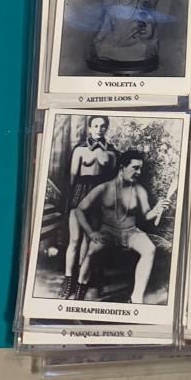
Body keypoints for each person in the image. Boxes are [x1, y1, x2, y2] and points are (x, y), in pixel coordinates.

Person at [73, 150, 171, 303]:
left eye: (140, 169)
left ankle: (136, 298)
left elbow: (146, 216)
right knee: (92, 251)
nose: (139, 172)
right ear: (122, 167)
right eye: (135, 168)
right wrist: (91, 233)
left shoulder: (139, 190)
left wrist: (157, 209)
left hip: (131, 233)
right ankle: (79, 291)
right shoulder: (104, 188)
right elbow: (79, 210)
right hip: (108, 232)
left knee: (150, 249)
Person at [60, 116, 117, 299]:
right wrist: (71, 203)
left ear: (106, 129)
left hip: (98, 198)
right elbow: (72, 178)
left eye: (103, 126)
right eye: (96, 125)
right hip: (80, 194)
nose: (99, 129)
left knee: (88, 239)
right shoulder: (80, 150)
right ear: (90, 128)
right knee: (74, 240)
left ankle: (81, 281)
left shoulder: (111, 153)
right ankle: (68, 281)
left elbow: (111, 182)